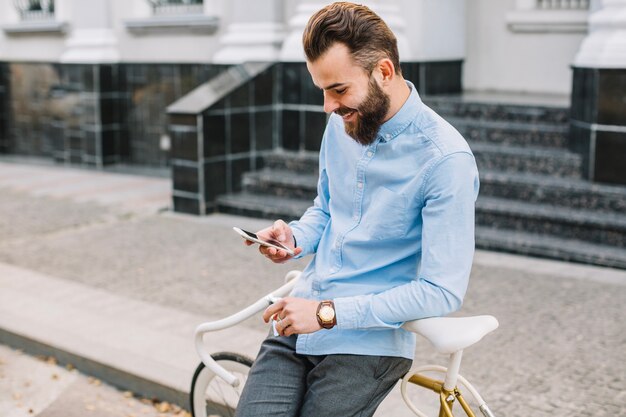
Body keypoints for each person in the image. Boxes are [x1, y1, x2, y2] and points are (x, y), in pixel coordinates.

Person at [235, 2, 479, 416]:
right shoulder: (341, 123)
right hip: (300, 316)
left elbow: (442, 290)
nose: (328, 107)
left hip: (367, 343)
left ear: (383, 72)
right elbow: (328, 210)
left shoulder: (446, 160)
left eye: (339, 90)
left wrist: (327, 314)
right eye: (323, 91)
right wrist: (295, 238)